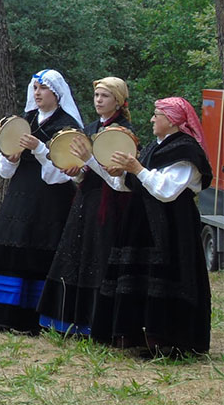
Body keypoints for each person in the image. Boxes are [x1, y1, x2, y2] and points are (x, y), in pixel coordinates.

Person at [90, 97, 213, 357]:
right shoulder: (152, 149)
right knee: (139, 278)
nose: (152, 119)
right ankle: (138, 335)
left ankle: (169, 339)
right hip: (141, 223)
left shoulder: (186, 151)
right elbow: (125, 185)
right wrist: (100, 165)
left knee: (169, 279)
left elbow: (166, 191)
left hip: (172, 227)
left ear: (172, 120)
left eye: (157, 114)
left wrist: (136, 168)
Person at [0, 69, 82, 333]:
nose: (37, 94)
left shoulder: (67, 125)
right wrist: (11, 157)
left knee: (37, 252)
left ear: (56, 93)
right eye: (34, 89)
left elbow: (60, 174)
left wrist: (40, 149)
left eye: (42, 89)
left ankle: (32, 320)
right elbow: (4, 171)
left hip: (50, 200)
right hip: (19, 193)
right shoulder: (25, 120)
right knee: (4, 246)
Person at [37, 77, 135, 335]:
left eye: (105, 96)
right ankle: (70, 321)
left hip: (111, 203)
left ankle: (98, 322)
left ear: (118, 101)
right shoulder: (90, 128)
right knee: (77, 254)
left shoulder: (124, 131)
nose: (99, 100)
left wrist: (89, 160)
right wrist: (75, 171)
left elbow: (116, 178)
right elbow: (85, 171)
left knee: (100, 256)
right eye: (96, 96)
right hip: (86, 199)